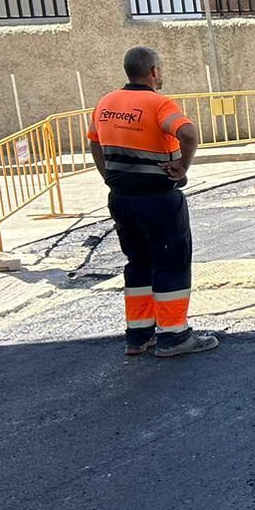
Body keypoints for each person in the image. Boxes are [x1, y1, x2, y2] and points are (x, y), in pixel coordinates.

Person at [86, 47, 217, 358]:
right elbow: (187, 132)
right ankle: (174, 335)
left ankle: (139, 334)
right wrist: (183, 166)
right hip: (157, 198)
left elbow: (94, 141)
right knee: (171, 262)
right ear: (154, 72)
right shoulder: (158, 104)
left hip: (121, 199)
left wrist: (108, 176)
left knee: (138, 263)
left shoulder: (106, 103)